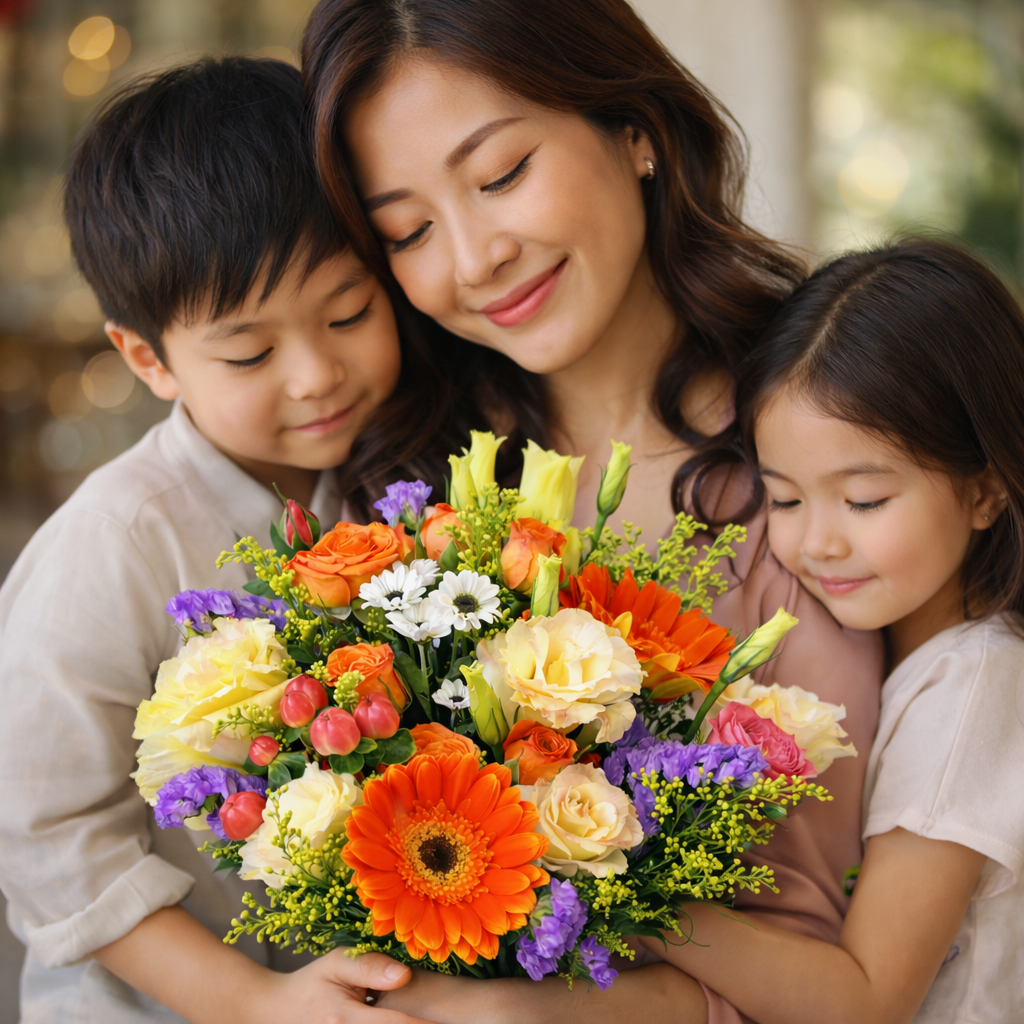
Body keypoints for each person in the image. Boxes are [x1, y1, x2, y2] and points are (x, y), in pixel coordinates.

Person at [300, 1, 883, 1019]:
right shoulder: (398, 499)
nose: (475, 256)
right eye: (409, 229)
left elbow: (859, 960)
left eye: (500, 175)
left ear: (635, 128)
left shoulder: (837, 448)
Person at [0, 57, 451, 1024]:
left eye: (349, 312)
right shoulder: (114, 542)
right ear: (146, 358)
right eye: (251, 351)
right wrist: (249, 1002)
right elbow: (45, 839)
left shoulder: (396, 491)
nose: (316, 375)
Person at [632, 237, 1024, 1023]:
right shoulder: (908, 656)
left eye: (865, 500)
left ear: (985, 491)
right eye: (783, 499)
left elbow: (866, 999)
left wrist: (622, 896)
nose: (818, 543)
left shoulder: (975, 683)